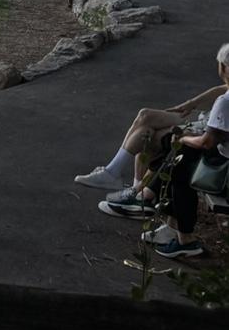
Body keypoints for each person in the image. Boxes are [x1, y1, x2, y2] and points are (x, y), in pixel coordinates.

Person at [99, 43, 229, 259]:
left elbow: (206, 142)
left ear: (224, 68)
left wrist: (184, 138)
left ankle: (182, 236)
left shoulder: (225, 102)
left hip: (223, 170)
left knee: (178, 158)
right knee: (179, 155)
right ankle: (149, 201)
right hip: (223, 158)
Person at [76, 83, 227, 193]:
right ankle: (120, 178)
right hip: (205, 119)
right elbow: (225, 87)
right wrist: (191, 104)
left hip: (208, 127)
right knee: (145, 116)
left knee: (148, 132)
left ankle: (132, 188)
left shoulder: (224, 103)